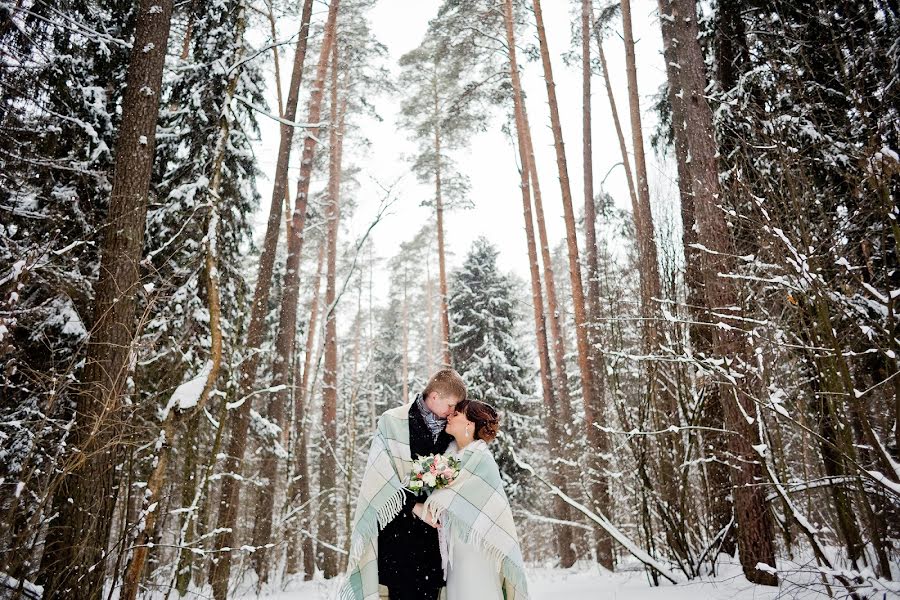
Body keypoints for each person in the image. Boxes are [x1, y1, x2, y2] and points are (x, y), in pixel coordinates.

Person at [340, 369, 466, 600]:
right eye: (450, 405)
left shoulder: (453, 430)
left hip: (436, 540)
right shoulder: (393, 421)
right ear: (435, 396)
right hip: (398, 536)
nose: (452, 412)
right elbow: (379, 477)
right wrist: (414, 506)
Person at [421, 399, 529, 600]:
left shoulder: (482, 462)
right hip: (455, 552)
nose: (449, 417)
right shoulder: (448, 459)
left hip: (477, 549)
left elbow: (490, 511)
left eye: (457, 414)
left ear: (469, 424)